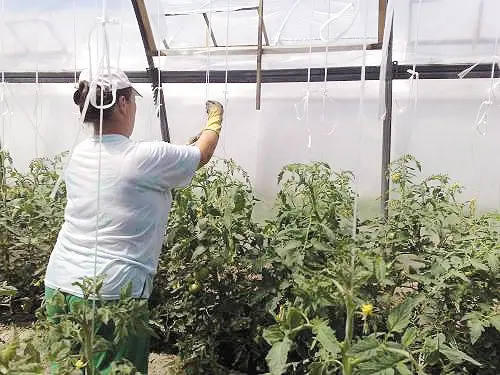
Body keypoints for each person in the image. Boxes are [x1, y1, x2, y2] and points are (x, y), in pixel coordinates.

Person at [43, 67, 223, 373]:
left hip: (60, 285)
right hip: (113, 294)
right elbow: (201, 154)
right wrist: (216, 118)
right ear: (124, 104)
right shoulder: (142, 157)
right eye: (134, 102)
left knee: (65, 368)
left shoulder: (79, 154)